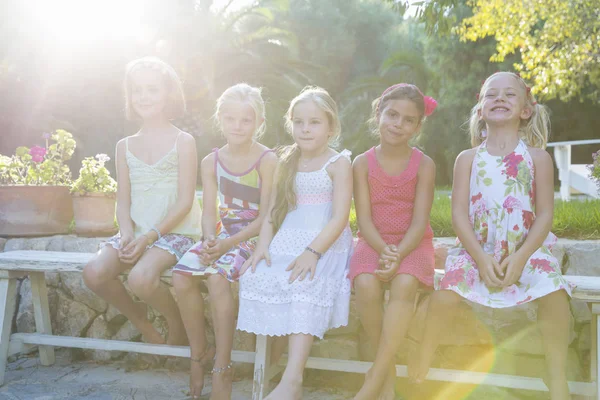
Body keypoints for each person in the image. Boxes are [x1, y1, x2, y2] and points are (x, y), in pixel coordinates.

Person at [410, 72, 573, 400]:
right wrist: (481, 258)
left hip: (524, 250)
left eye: (510, 95)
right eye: (491, 95)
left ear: (525, 110)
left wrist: (522, 256)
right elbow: (458, 215)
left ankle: (557, 374)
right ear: (481, 109)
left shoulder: (538, 159)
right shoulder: (467, 159)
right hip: (476, 250)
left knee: (556, 297)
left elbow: (544, 216)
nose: (500, 98)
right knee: (443, 298)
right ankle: (422, 358)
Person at [237, 86, 353, 400]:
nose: (305, 128)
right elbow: (273, 212)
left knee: (303, 282)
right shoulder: (285, 160)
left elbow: (340, 217)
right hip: (287, 237)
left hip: (324, 241)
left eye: (314, 122)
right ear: (291, 124)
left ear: (331, 127)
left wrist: (313, 252)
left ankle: (292, 379)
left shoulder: (338, 163)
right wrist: (262, 246)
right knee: (258, 274)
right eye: (299, 122)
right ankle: (270, 365)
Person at [83, 57, 200, 347]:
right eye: (137, 90)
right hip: (137, 231)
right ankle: (142, 321)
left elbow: (186, 201)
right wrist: (126, 233)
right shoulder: (125, 145)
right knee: (94, 272)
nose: (144, 97)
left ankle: (176, 322)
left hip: (174, 232)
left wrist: (149, 237)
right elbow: (123, 201)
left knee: (140, 278)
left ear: (168, 94)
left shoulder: (183, 141)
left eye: (152, 89)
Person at [172, 83, 277, 399]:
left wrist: (228, 245)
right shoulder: (211, 161)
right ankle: (198, 353)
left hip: (251, 236)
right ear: (220, 119)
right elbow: (209, 210)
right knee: (181, 275)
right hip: (220, 234)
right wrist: (208, 239)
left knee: (218, 278)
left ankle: (222, 365)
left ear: (259, 122)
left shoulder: (267, 160)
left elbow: (265, 218)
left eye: (246, 120)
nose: (238, 126)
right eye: (231, 119)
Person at [350, 83, 437, 400]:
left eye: (408, 119)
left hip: (413, 244)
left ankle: (375, 378)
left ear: (417, 126)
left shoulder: (424, 164)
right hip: (372, 241)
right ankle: (385, 371)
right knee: (365, 284)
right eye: (392, 114)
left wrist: (398, 253)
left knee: (403, 285)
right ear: (379, 113)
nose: (398, 124)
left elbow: (419, 221)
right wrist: (383, 249)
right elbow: (364, 219)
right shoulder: (362, 163)